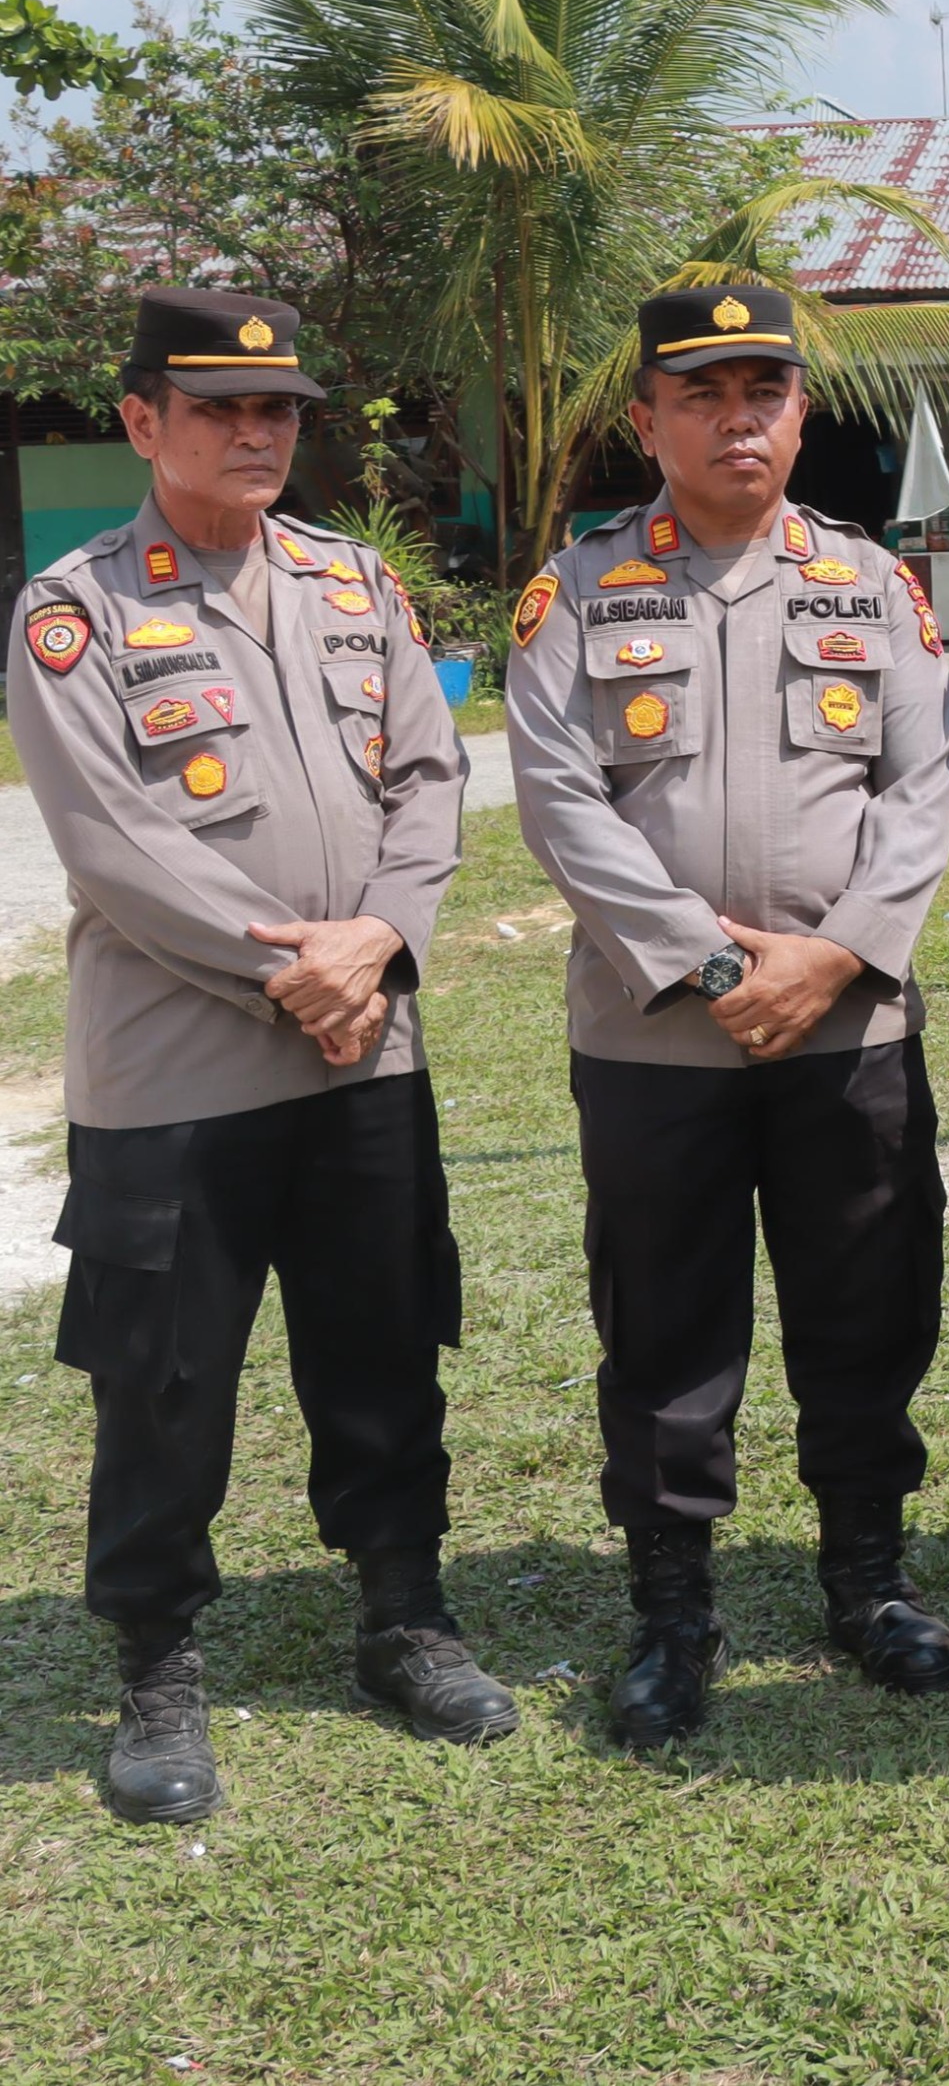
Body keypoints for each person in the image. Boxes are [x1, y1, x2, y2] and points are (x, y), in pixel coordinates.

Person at [17, 287, 510, 1826]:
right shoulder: (77, 610)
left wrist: (384, 938)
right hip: (180, 1072)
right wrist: (301, 971)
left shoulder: (354, 582)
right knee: (163, 1376)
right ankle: (157, 1663)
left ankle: (404, 1616)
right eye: (219, 405)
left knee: (382, 1344)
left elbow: (429, 778)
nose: (256, 430)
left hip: (367, 1055)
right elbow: (114, 842)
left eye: (278, 407)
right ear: (142, 420)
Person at [506, 284, 949, 1749]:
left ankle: (868, 1579)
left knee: (867, 1308)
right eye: (700, 393)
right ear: (648, 419)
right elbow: (560, 802)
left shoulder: (871, 584)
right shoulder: (580, 590)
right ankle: (673, 1607)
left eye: (763, 389)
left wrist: (833, 959)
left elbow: (923, 790)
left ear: (800, 413)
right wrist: (715, 968)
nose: (736, 418)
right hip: (656, 1037)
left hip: (848, 1030)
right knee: (665, 1324)